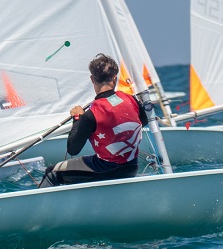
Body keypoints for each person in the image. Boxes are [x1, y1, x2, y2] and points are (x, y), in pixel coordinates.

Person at [39, 54, 148, 187]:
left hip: (105, 170)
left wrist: (78, 118)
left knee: (52, 172)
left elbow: (73, 149)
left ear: (92, 79)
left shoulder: (91, 115)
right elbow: (144, 121)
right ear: (115, 77)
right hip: (131, 167)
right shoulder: (132, 100)